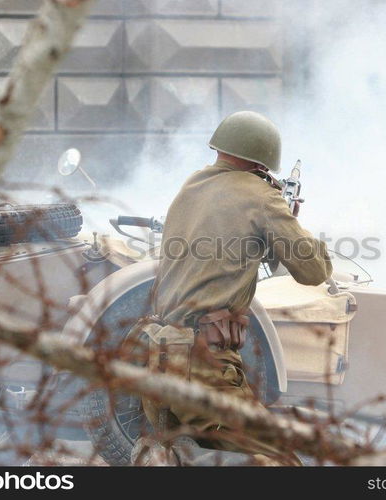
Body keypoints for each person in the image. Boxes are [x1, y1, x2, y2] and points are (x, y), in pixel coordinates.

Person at [133, 111, 332, 466]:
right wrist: (287, 219)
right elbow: (312, 271)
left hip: (160, 358)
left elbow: (232, 250)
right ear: (263, 162)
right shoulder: (260, 197)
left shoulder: (192, 185)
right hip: (206, 364)